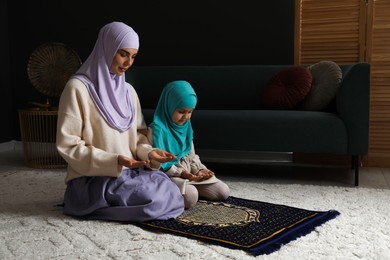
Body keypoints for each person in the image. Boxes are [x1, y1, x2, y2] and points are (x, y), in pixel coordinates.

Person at [55, 21, 185, 222]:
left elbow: (138, 137)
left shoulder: (129, 92)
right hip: (94, 179)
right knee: (155, 198)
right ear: (106, 48)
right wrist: (115, 160)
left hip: (129, 173)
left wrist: (150, 152)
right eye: (123, 54)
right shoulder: (77, 88)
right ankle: (91, 204)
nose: (128, 62)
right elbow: (68, 145)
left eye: (133, 56)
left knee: (167, 188)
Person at [147, 80, 230, 209]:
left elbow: (191, 156)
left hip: (190, 175)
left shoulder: (186, 128)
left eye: (190, 112)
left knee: (223, 191)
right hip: (169, 176)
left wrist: (200, 170)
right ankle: (180, 192)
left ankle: (187, 190)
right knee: (191, 196)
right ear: (169, 106)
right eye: (181, 111)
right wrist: (181, 173)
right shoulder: (156, 131)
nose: (185, 117)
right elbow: (159, 166)